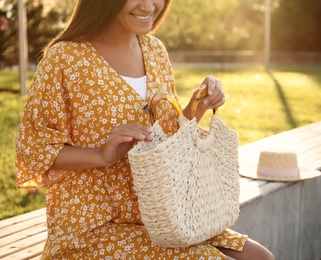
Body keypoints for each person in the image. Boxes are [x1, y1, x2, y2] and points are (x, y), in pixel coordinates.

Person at [15, 1, 275, 259]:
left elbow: (167, 135)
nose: (150, 5)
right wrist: (101, 155)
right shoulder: (64, 58)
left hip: (161, 216)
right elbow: (34, 150)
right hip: (91, 228)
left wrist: (198, 106)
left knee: (260, 257)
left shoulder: (155, 50)